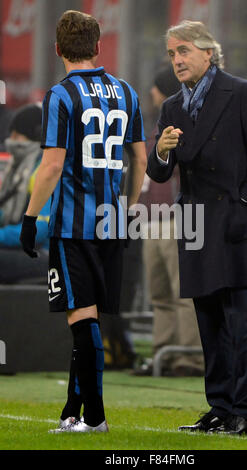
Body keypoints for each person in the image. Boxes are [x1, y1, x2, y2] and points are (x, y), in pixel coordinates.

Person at [147, 20, 247, 435]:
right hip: (196, 226)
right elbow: (157, 173)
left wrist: (243, 206)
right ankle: (219, 408)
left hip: (236, 225)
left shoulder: (243, 93)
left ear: (209, 52)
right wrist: (160, 151)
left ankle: (246, 413)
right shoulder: (171, 107)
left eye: (183, 51)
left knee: (240, 322)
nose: (176, 61)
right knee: (209, 324)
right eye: (172, 54)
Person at [20, 10, 147, 433]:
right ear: (98, 46)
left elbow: (52, 166)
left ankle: (95, 417)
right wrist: (127, 208)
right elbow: (140, 157)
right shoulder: (126, 91)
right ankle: (72, 413)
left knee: (81, 319)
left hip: (74, 226)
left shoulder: (60, 95)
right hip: (111, 221)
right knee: (89, 318)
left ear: (57, 49)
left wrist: (29, 217)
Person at [136, 65, 204, 377]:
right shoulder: (156, 124)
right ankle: (163, 354)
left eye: (155, 88)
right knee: (160, 295)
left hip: (178, 217)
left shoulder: (183, 121)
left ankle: (189, 358)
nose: (150, 93)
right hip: (151, 220)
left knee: (183, 292)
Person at [0, 103, 50, 283]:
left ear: (35, 137)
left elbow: (39, 231)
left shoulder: (46, 173)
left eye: (17, 136)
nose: (10, 142)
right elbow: (7, 212)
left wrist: (1, 235)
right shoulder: (21, 170)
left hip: (48, 255)